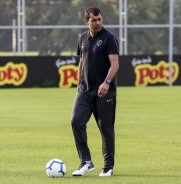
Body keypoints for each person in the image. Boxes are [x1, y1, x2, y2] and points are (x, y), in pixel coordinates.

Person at [71, 7, 119, 177]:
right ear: (87, 22)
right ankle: (86, 162)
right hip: (84, 90)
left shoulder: (109, 38)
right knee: (76, 121)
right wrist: (78, 84)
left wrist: (106, 83)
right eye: (94, 20)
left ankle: (108, 167)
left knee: (105, 128)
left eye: (99, 19)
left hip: (105, 91)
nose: (98, 22)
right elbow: (82, 61)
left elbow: (115, 64)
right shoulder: (82, 38)